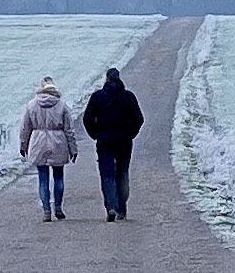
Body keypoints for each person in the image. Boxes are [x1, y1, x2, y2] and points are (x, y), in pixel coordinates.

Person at [82, 66, 143, 222]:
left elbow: (87, 118)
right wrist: (131, 134)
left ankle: (111, 207)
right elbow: (139, 119)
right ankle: (122, 208)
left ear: (107, 79)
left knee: (107, 174)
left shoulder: (98, 97)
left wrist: (95, 134)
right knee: (122, 173)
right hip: (124, 141)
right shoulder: (128, 97)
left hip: (105, 141)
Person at [18, 76, 78, 221]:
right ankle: (58, 207)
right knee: (59, 177)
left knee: (43, 178)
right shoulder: (62, 105)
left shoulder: (32, 105)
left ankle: (46, 211)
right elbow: (69, 130)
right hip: (58, 142)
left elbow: (25, 128)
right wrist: (73, 148)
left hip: (38, 142)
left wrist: (23, 145)